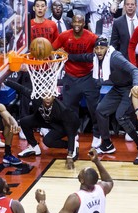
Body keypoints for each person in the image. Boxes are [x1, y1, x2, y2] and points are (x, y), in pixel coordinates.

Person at [67, 37, 138, 164]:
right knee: (100, 110)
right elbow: (82, 57)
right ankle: (107, 144)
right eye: (97, 48)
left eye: (102, 48)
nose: (99, 51)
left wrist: (136, 86)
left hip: (131, 87)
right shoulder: (95, 57)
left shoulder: (115, 58)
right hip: (118, 88)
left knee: (121, 116)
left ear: (107, 48)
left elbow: (136, 71)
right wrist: (66, 55)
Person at [4, 79, 80, 169]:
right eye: (44, 95)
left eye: (50, 95)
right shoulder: (36, 99)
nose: (47, 98)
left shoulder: (63, 110)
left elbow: (70, 132)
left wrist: (69, 155)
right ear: (41, 96)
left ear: (54, 96)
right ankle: (34, 146)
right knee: (24, 121)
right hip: (45, 120)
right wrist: (6, 81)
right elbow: (22, 89)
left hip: (64, 125)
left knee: (47, 141)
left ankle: (72, 145)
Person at [52, 14, 101, 148]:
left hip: (88, 76)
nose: (77, 24)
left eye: (80, 21)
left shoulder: (91, 37)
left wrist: (71, 57)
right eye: (75, 21)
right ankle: (73, 133)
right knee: (69, 109)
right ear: (71, 23)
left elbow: (96, 54)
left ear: (84, 23)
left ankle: (97, 134)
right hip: (70, 76)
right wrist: (59, 54)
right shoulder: (64, 36)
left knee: (94, 108)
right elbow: (51, 49)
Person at [35, 148, 114, 213]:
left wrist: (44, 209)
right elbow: (108, 181)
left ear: (82, 180)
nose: (80, 172)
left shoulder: (75, 199)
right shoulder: (102, 188)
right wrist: (97, 161)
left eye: (82, 172)